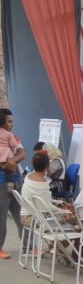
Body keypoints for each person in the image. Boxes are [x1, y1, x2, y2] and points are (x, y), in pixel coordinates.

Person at [21, 152, 76, 232]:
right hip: (34, 219)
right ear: (47, 165)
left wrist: (60, 202)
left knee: (65, 210)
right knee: (72, 217)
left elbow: (42, 200)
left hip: (26, 216)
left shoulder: (28, 176)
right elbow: (48, 207)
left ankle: (73, 232)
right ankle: (76, 234)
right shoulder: (42, 183)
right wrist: (64, 211)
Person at [0, 108, 25, 260]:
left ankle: (29, 246)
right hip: (1, 184)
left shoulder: (12, 136)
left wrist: (11, 161)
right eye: (9, 121)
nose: (12, 124)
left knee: (21, 214)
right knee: (1, 217)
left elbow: (22, 153)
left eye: (12, 121)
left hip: (16, 180)